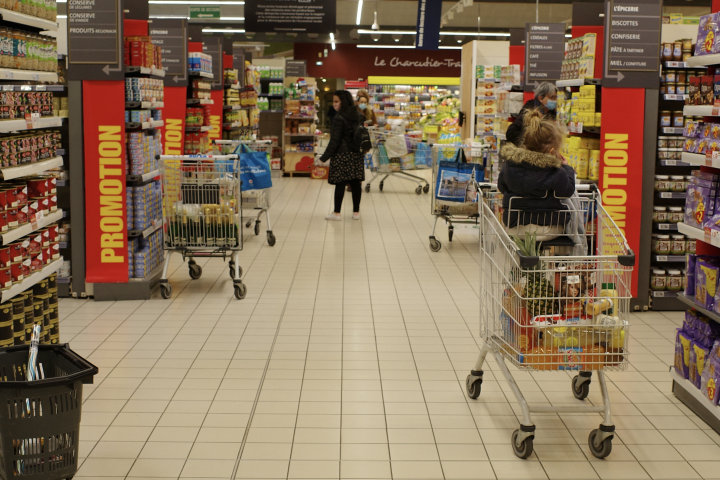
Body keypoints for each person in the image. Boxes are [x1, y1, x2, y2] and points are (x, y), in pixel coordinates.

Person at [498, 109, 575, 241]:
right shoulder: (555, 171)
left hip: (514, 227)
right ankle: (554, 259)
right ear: (552, 151)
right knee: (568, 219)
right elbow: (567, 191)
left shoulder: (509, 165)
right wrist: (567, 168)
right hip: (546, 228)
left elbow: (501, 187)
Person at [321, 90, 364, 221]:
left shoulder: (338, 118)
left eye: (336, 101)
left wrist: (324, 157)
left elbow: (335, 141)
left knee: (340, 183)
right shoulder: (358, 116)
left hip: (341, 154)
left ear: (343, 102)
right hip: (356, 154)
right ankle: (356, 213)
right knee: (356, 183)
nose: (334, 104)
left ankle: (337, 213)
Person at [506, 82, 558, 146]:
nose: (555, 100)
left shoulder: (553, 113)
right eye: (552, 97)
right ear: (541, 98)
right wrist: (527, 142)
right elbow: (511, 132)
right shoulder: (529, 110)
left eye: (556, 98)